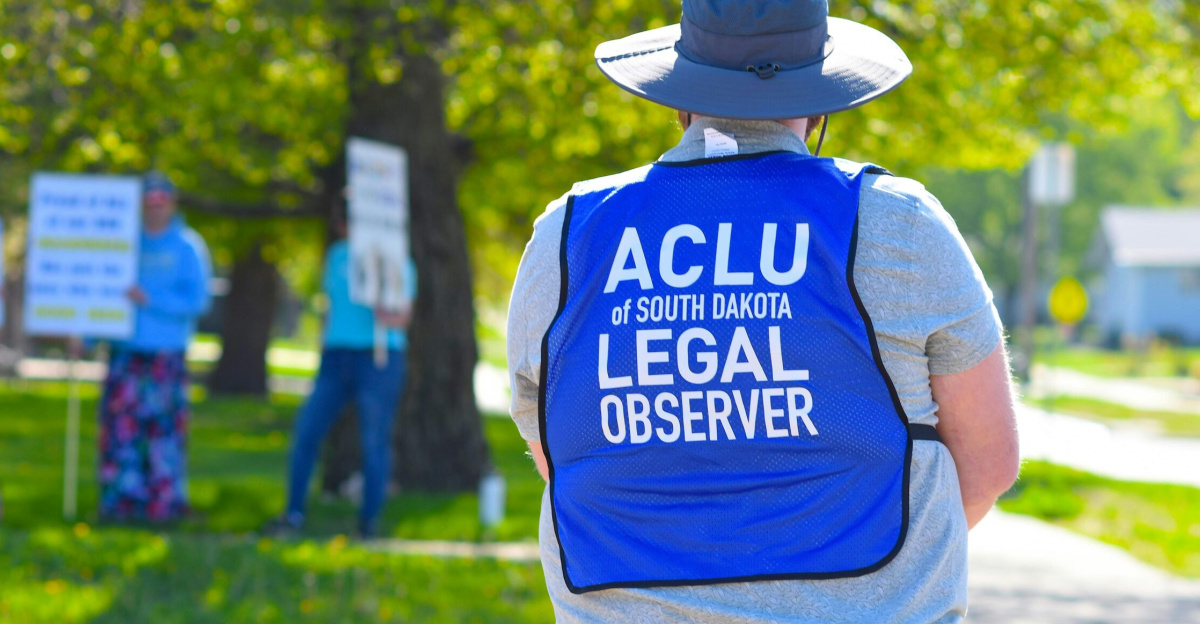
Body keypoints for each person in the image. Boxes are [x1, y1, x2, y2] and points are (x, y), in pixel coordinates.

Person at [505, 1, 1020, 621]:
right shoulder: (898, 223)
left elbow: (560, 446)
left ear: (680, 95)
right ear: (820, 99)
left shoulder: (567, 237)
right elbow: (988, 465)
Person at [268, 204, 416, 539]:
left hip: (378, 356)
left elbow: (403, 316)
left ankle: (369, 521)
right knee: (307, 432)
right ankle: (293, 513)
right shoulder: (336, 256)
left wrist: (384, 310)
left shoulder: (393, 258)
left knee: (374, 439)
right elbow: (330, 307)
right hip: (336, 356)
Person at [98, 171, 212, 522]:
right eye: (149, 202)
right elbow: (101, 295)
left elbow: (197, 301)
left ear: (172, 203)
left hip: (166, 356)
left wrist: (150, 298)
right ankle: (121, 505)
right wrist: (86, 336)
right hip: (125, 353)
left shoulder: (188, 246)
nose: (155, 209)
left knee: (164, 434)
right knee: (120, 435)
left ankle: (164, 505)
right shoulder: (122, 243)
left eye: (162, 202)